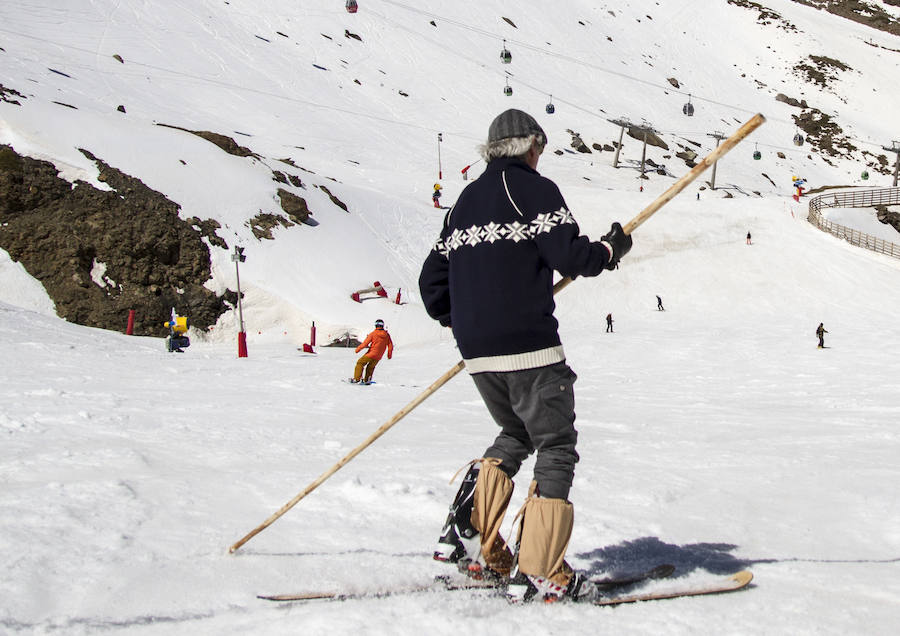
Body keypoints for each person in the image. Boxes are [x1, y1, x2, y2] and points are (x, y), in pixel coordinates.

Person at [418, 108, 632, 604]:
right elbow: (573, 258)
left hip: (478, 351)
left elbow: (432, 286)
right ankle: (540, 569)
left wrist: (470, 320)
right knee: (555, 443)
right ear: (530, 145)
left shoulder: (463, 203)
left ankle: (467, 542)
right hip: (529, 345)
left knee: (516, 432)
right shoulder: (533, 189)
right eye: (541, 146)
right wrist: (609, 248)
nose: (541, 155)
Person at [351, 319, 393, 384]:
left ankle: (357, 379)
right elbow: (390, 345)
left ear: (376, 325)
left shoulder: (373, 334)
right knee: (371, 367)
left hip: (371, 354)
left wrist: (357, 350)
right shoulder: (387, 335)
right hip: (379, 356)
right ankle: (367, 380)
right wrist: (389, 355)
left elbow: (365, 344)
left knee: (360, 363)